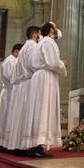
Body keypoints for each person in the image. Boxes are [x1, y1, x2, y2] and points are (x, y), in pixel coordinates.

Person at [20, 21, 66, 156]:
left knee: (38, 110)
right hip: (45, 78)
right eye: (55, 28)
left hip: (39, 77)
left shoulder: (40, 43)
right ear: (51, 30)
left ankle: (35, 144)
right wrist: (63, 64)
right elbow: (52, 62)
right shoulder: (48, 43)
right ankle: (39, 144)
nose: (57, 31)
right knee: (44, 109)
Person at [6, 26, 41, 154]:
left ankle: (20, 144)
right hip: (29, 84)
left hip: (23, 85)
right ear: (36, 34)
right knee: (29, 115)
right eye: (39, 34)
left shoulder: (25, 47)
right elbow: (34, 65)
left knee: (22, 116)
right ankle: (29, 146)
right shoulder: (32, 47)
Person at [0, 42, 23, 151]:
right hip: (10, 92)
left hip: (10, 91)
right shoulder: (11, 61)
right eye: (22, 52)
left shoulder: (10, 60)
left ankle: (5, 143)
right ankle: (5, 143)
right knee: (8, 117)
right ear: (16, 51)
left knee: (7, 117)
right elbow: (12, 78)